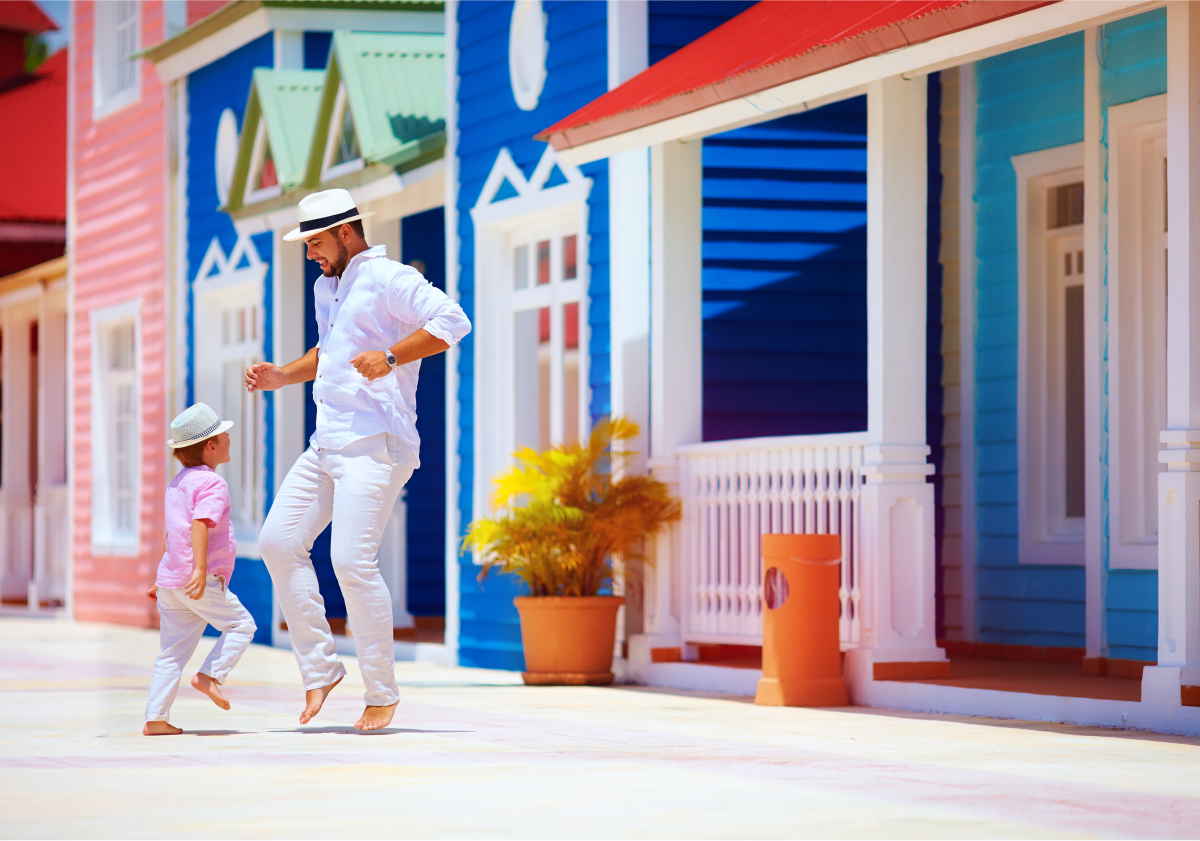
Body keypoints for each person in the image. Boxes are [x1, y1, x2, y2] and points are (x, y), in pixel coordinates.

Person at [246, 189, 470, 732]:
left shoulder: (389, 277)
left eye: (316, 242)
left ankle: (382, 692)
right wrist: (282, 375)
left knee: (351, 561)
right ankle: (321, 668)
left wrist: (392, 356)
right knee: (277, 542)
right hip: (327, 440)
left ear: (347, 232)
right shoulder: (330, 288)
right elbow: (328, 351)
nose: (310, 254)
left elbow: (453, 319)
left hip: (376, 442)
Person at [144, 403, 257, 736]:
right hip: (199, 580)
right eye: (224, 434)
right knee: (241, 624)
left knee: (171, 654)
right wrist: (199, 571)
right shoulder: (212, 484)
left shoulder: (178, 483)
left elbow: (172, 533)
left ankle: (155, 718)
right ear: (211, 446)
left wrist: (160, 577)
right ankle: (209, 675)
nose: (228, 438)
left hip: (171, 582)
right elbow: (199, 525)